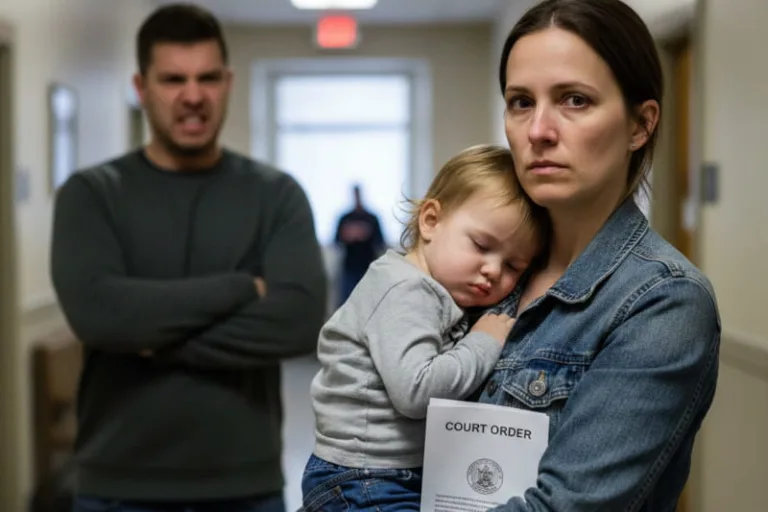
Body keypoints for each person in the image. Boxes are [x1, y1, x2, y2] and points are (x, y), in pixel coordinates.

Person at [50, 4, 327, 512]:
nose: (193, 96)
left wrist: (146, 335)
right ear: (142, 87)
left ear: (229, 82)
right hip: (117, 486)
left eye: (207, 78)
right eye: (173, 79)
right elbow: (97, 315)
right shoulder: (91, 195)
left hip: (246, 485)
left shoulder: (276, 195)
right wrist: (243, 287)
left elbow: (298, 321)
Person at [471, 0, 721, 510]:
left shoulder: (663, 301)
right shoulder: (486, 271)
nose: (538, 130)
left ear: (639, 125)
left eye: (575, 100)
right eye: (521, 101)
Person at [301, 145, 549, 511]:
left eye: (513, 266)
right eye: (481, 245)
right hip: (363, 478)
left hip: (388, 474)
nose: (493, 270)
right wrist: (482, 341)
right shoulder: (405, 289)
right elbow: (416, 391)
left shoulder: (435, 292)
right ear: (430, 220)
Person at [333, 185, 385, 306]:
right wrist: (348, 235)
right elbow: (336, 241)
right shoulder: (344, 218)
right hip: (349, 267)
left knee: (369, 302)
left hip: (368, 266)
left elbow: (380, 242)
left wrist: (365, 234)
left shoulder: (372, 218)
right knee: (347, 303)